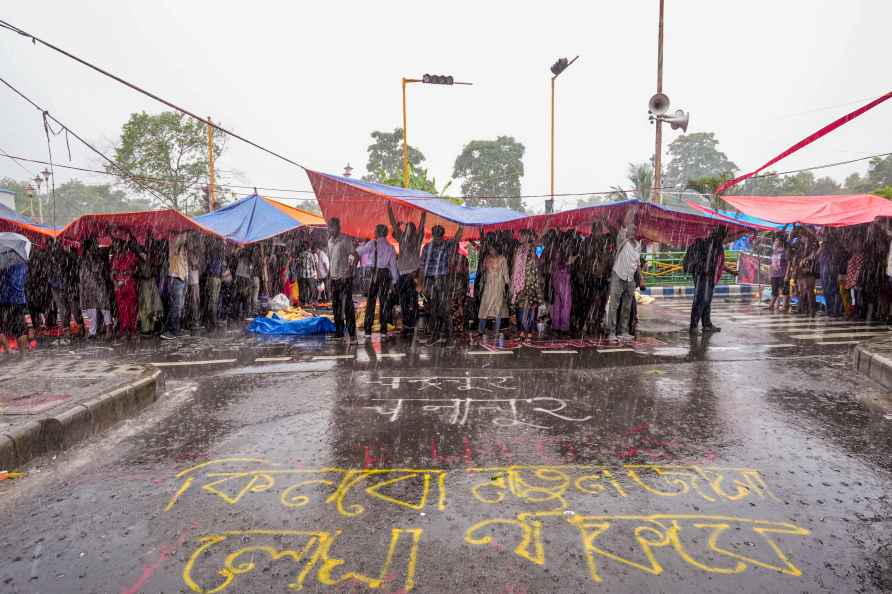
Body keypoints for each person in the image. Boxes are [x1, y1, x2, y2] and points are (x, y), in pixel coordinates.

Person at [421, 224, 464, 344]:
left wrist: (461, 227)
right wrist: (423, 284)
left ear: (442, 235)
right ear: (433, 235)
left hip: (442, 279)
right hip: (432, 280)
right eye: (436, 235)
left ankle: (449, 337)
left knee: (444, 309)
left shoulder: (445, 245)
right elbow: (422, 266)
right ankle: (435, 336)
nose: (438, 238)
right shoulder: (428, 247)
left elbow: (456, 239)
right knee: (433, 309)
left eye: (439, 236)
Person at [388, 204, 426, 336]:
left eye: (410, 228)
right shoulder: (402, 239)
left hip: (412, 275)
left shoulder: (416, 240)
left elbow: (421, 227)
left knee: (411, 301)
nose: (408, 230)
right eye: (407, 228)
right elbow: (393, 224)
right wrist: (389, 208)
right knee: (406, 301)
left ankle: (410, 326)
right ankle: (408, 326)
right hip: (405, 275)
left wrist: (423, 215)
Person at [605, 207, 641, 342]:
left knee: (627, 306)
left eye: (634, 230)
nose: (632, 231)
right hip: (618, 276)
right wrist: (629, 212)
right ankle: (612, 332)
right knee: (614, 306)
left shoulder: (638, 245)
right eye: (630, 229)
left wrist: (641, 278)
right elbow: (624, 226)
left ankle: (623, 331)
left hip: (630, 279)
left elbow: (637, 264)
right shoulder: (622, 241)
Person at [357, 224, 399, 337]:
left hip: (374, 274)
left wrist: (353, 251)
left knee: (371, 302)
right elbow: (393, 267)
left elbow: (360, 251)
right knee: (384, 302)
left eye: (375, 230)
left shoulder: (372, 243)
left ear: (378, 232)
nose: (374, 232)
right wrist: (395, 282)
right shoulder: (390, 247)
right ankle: (384, 330)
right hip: (385, 275)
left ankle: (368, 330)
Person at [687, 225, 730, 333]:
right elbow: (710, 260)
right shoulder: (713, 243)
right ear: (721, 234)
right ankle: (694, 326)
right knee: (701, 300)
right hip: (705, 275)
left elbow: (716, 262)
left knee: (706, 300)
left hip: (704, 275)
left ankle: (706, 324)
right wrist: (706, 273)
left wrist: (731, 271)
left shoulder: (712, 241)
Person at [327, 218, 357, 340]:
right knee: (336, 306)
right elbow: (331, 260)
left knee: (348, 307)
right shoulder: (329, 241)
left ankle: (352, 334)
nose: (331, 229)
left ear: (338, 227)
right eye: (329, 227)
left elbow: (353, 255)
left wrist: (349, 270)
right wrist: (330, 277)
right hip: (334, 279)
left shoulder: (345, 240)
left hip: (345, 279)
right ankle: (339, 332)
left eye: (333, 227)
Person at [511, 229, 543, 341]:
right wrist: (512, 282)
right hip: (519, 283)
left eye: (521, 235)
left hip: (530, 282)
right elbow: (514, 266)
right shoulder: (517, 249)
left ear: (527, 236)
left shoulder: (533, 249)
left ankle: (528, 331)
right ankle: (521, 331)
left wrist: (539, 236)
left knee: (529, 309)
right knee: (519, 309)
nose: (519, 237)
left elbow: (540, 252)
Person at [79, 238, 113, 339]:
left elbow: (99, 271)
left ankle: (108, 329)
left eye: (95, 246)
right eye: (93, 246)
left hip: (98, 286)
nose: (95, 248)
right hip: (89, 288)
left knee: (104, 308)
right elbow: (83, 276)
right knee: (91, 309)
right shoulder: (84, 260)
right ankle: (92, 332)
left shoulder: (99, 258)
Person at [109, 234, 141, 338]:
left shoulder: (130, 255)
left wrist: (127, 275)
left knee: (131, 309)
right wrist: (115, 283)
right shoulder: (114, 257)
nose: (116, 247)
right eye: (114, 245)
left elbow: (137, 268)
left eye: (117, 245)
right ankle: (125, 330)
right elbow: (112, 273)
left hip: (129, 285)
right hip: (119, 287)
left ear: (122, 245)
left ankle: (133, 330)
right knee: (122, 310)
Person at [476, 244, 510, 338]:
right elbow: (483, 272)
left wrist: (508, 285)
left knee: (497, 309)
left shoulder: (502, 259)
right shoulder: (486, 258)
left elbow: (506, 273)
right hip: (488, 288)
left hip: (498, 288)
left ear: (496, 249)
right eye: (489, 249)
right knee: (484, 309)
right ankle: (481, 330)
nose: (491, 251)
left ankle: (496, 330)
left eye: (492, 249)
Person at [160, 232, 188, 340]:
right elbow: (180, 239)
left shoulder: (184, 248)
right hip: (175, 278)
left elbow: (185, 264)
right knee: (175, 307)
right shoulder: (173, 241)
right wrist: (184, 232)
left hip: (182, 278)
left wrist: (186, 278)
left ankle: (176, 329)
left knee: (179, 306)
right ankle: (171, 330)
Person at [0, 256, 29, 354]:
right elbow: (24, 280)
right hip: (19, 299)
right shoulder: (24, 263)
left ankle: (8, 350)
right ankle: (23, 355)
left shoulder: (4, 264)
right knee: (20, 328)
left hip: (4, 299)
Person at [550, 233, 577, 335]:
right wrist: (577, 256)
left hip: (556, 278)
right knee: (565, 304)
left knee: (557, 303)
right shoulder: (565, 250)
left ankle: (556, 325)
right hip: (563, 279)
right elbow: (567, 262)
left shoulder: (555, 249)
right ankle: (564, 327)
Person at [205, 239, 224, 329]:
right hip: (214, 277)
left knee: (214, 300)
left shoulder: (218, 253)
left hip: (216, 278)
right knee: (213, 300)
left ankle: (213, 319)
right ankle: (213, 319)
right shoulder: (214, 251)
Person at [768, 237, 789, 313]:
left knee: (784, 291)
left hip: (782, 274)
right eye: (775, 240)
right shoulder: (774, 252)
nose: (775, 242)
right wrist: (770, 274)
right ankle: (771, 305)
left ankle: (784, 306)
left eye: (777, 240)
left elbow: (788, 264)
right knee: (774, 291)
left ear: (781, 242)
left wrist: (787, 274)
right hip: (774, 275)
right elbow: (770, 264)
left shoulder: (785, 252)